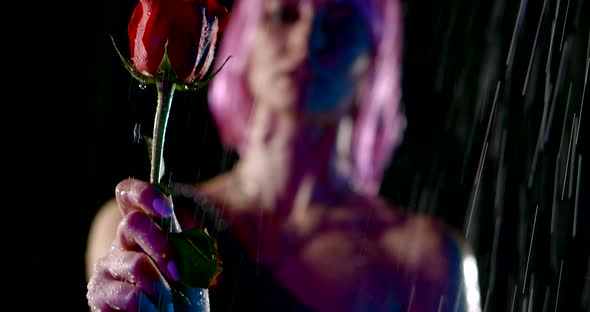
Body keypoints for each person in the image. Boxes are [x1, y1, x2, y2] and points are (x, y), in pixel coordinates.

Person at [86, 0, 482, 311]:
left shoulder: (425, 261)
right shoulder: (151, 228)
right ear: (245, 40)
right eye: (284, 14)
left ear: (375, 57)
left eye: (341, 16)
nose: (309, 37)